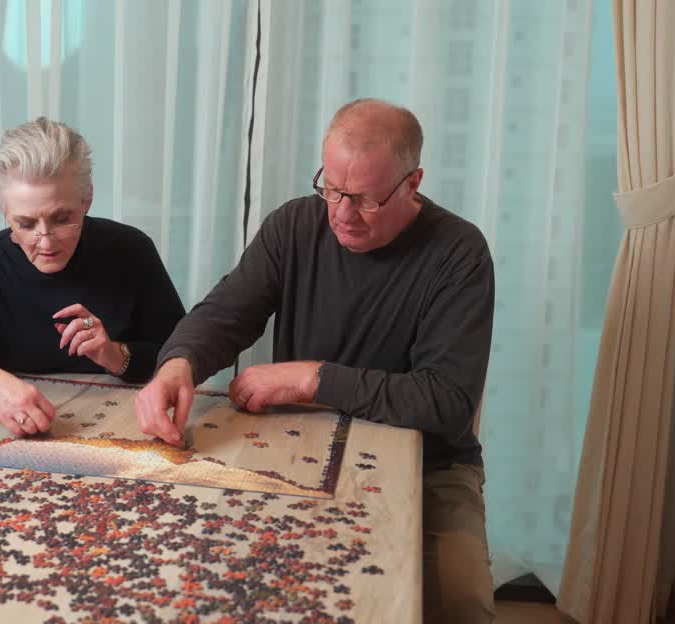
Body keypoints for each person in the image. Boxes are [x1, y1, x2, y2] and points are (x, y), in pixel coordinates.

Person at [135, 99, 496, 623]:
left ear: (412, 183)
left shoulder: (459, 252)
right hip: (297, 448)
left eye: (365, 200)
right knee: (230, 582)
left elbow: (445, 402)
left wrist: (312, 379)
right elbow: (226, 312)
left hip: (431, 464)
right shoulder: (294, 224)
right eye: (331, 190)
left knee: (459, 603)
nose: (342, 214)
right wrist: (178, 364)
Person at [0, 117, 185, 438]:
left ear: (87, 200)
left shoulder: (131, 250)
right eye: (26, 224)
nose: (45, 242)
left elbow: (181, 358)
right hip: (12, 434)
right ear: (3, 210)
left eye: (62, 219)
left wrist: (116, 355)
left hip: (129, 430)